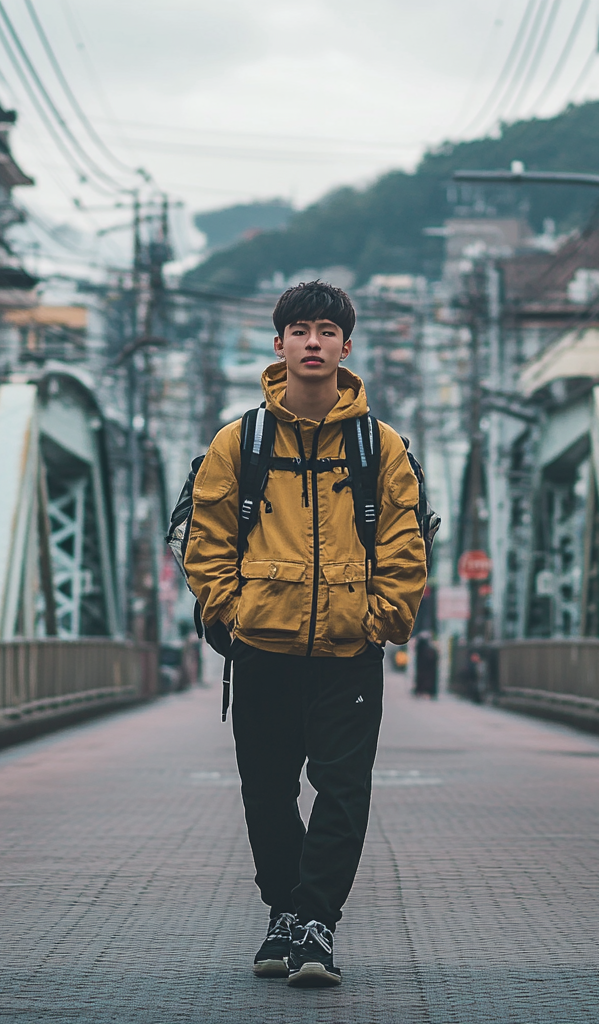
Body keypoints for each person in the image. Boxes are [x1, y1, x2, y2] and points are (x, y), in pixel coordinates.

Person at [184, 281, 427, 988]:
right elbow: (208, 539)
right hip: (264, 648)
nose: (313, 342)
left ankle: (315, 922)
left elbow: (406, 547)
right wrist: (232, 612)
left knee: (343, 791)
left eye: (327, 330)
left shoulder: (378, 444)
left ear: (347, 346)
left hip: (350, 653)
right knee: (265, 791)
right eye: (300, 330)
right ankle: (283, 913)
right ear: (279, 343)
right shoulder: (242, 440)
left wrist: (383, 620)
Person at [414, 632, 438, 698]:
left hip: (425, 668)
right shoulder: (428, 650)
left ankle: (423, 691)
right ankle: (424, 691)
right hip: (425, 668)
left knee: (424, 677)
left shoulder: (424, 649)